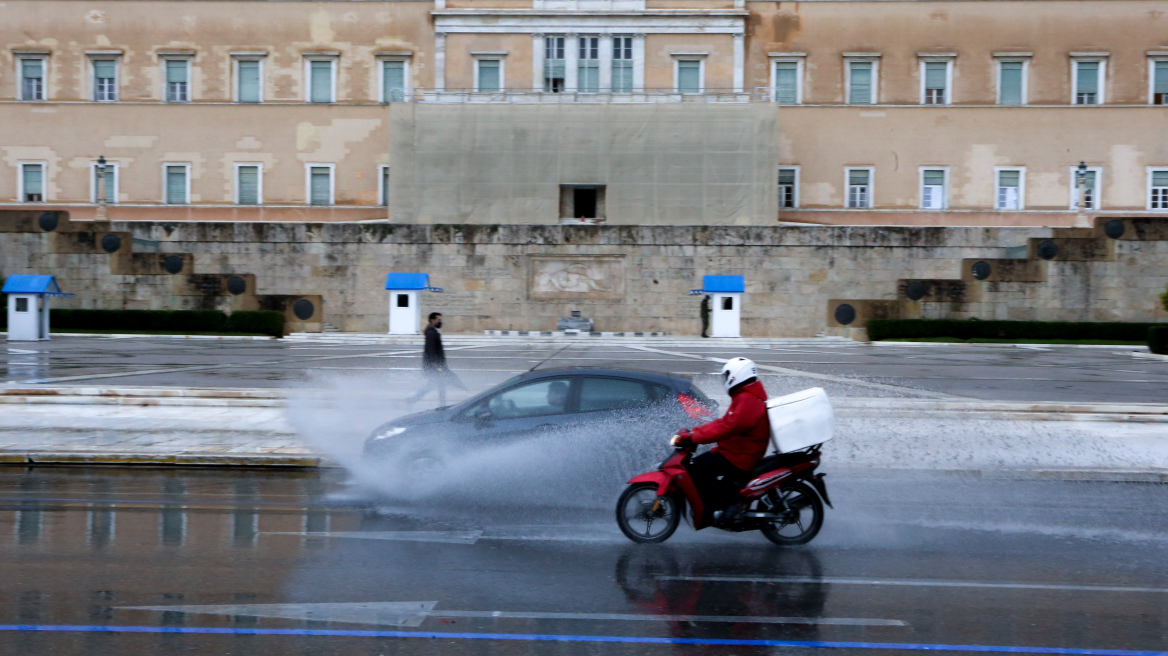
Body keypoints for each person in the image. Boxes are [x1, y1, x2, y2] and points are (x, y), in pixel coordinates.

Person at [670, 357, 769, 527]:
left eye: (726, 376)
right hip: (736, 451)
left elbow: (726, 428)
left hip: (740, 456)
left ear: (736, 376)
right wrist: (695, 432)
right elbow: (724, 423)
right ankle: (717, 504)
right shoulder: (746, 396)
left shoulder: (748, 399)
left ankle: (731, 502)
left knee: (695, 469)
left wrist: (694, 437)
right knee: (700, 466)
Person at [409, 312, 465, 406]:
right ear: (432, 320)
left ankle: (413, 400)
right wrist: (437, 366)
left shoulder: (433, 332)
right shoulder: (431, 333)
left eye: (440, 320)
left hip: (436, 365)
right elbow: (431, 351)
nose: (440, 322)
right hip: (435, 366)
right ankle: (443, 404)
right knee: (441, 383)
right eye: (438, 320)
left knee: (435, 385)